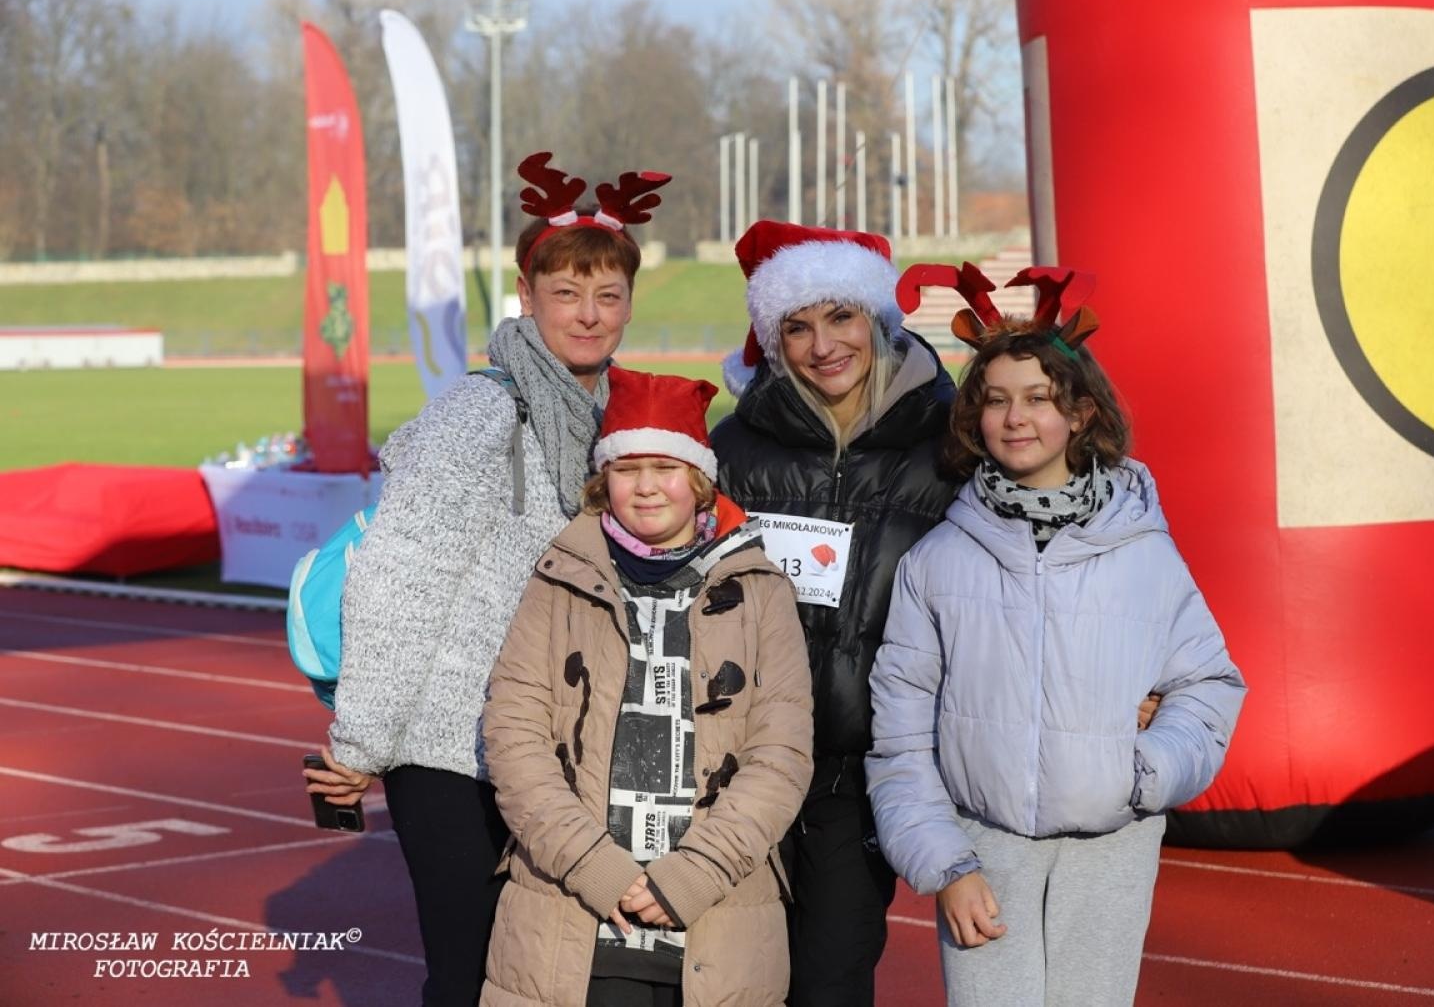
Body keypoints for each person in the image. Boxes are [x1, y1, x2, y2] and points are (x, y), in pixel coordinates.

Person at [303, 152, 670, 1006]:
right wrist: (361, 746)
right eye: (566, 293)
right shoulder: (476, 413)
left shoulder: (611, 420)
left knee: (545, 974)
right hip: (447, 749)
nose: (588, 314)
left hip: (549, 750)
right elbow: (397, 583)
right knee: (470, 972)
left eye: (607, 295)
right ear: (528, 294)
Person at [864, 280, 1247, 1007]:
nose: (1016, 418)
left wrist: (1149, 771)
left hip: (1111, 853)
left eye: (1038, 397)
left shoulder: (1144, 550)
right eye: (997, 399)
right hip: (984, 851)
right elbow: (900, 740)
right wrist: (946, 867)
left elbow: (1209, 684)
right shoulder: (937, 560)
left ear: (1079, 414)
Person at [481, 368, 812, 1007]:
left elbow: (782, 755)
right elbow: (514, 736)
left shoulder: (763, 590)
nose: (648, 487)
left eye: (666, 467)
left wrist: (691, 876)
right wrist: (596, 869)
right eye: (629, 470)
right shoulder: (557, 579)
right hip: (571, 916)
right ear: (604, 483)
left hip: (715, 919)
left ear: (699, 480)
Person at [709, 220, 960, 1007]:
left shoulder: (951, 447)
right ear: (771, 341)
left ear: (879, 320)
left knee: (829, 980)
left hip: (862, 768)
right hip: (737, 764)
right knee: (732, 980)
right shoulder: (731, 449)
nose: (823, 345)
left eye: (840, 316)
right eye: (797, 325)